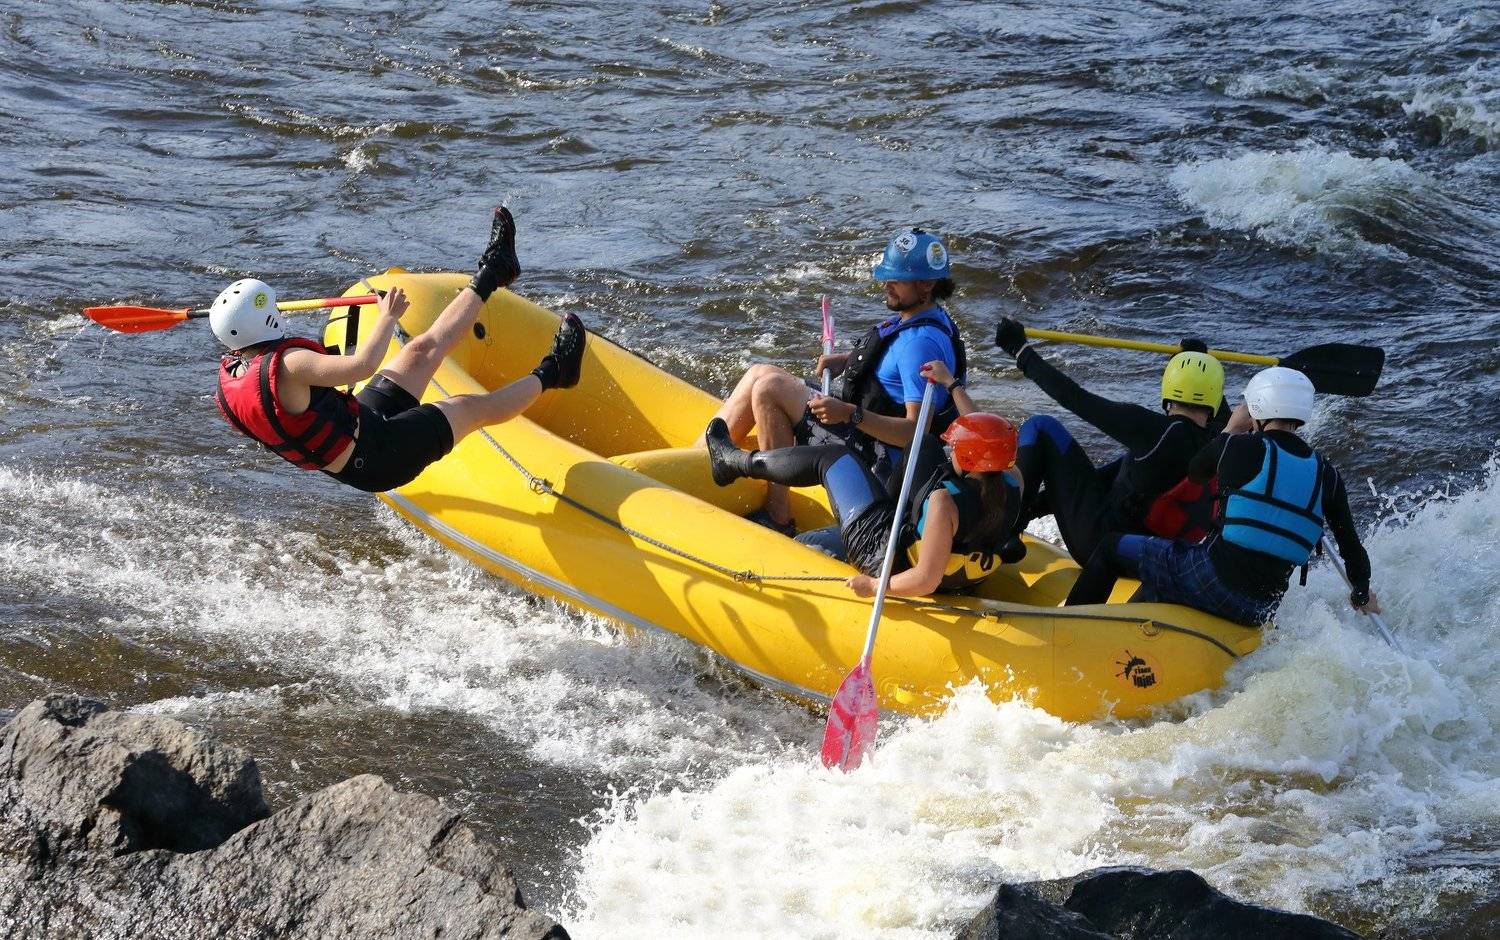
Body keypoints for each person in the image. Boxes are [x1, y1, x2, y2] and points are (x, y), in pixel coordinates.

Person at [213, 207, 587, 493]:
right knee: (471, 407)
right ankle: (556, 371)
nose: (279, 312)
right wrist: (388, 317)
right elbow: (363, 366)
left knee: (419, 349)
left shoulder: (235, 372)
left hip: (364, 428)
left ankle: (494, 271)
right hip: (380, 457)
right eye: (273, 309)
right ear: (264, 322)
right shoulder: (291, 365)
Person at [1064, 367, 1380, 626]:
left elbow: (1196, 472)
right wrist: (1361, 593)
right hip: (1261, 608)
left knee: (1111, 548)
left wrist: (1231, 428)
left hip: (1211, 581)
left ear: (1256, 410)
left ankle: (1070, 628)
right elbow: (1352, 550)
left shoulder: (1238, 446)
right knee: (1164, 576)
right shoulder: (1328, 475)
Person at [705, 228, 968, 535]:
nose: (886, 284)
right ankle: (707, 457)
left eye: (897, 279)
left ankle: (778, 515)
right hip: (868, 429)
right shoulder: (925, 315)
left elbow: (915, 432)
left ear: (927, 284)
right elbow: (893, 368)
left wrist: (849, 414)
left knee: (768, 390)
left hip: (880, 458)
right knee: (759, 373)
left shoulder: (920, 344)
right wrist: (848, 360)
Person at [703, 392, 1022, 599]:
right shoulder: (1014, 484)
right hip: (960, 575)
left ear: (968, 456)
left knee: (833, 458)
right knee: (922, 446)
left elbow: (926, 579)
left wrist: (874, 586)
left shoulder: (944, 503)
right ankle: (880, 501)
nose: (950, 451)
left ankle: (735, 462)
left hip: (885, 556)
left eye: (955, 448)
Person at [992, 316, 1224, 565]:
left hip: (1101, 546)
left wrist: (1021, 351)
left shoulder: (1151, 430)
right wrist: (1199, 361)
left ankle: (1007, 530)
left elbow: (1074, 397)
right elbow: (1223, 410)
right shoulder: (1223, 440)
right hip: (1157, 560)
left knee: (1041, 427)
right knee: (1127, 464)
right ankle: (1033, 507)